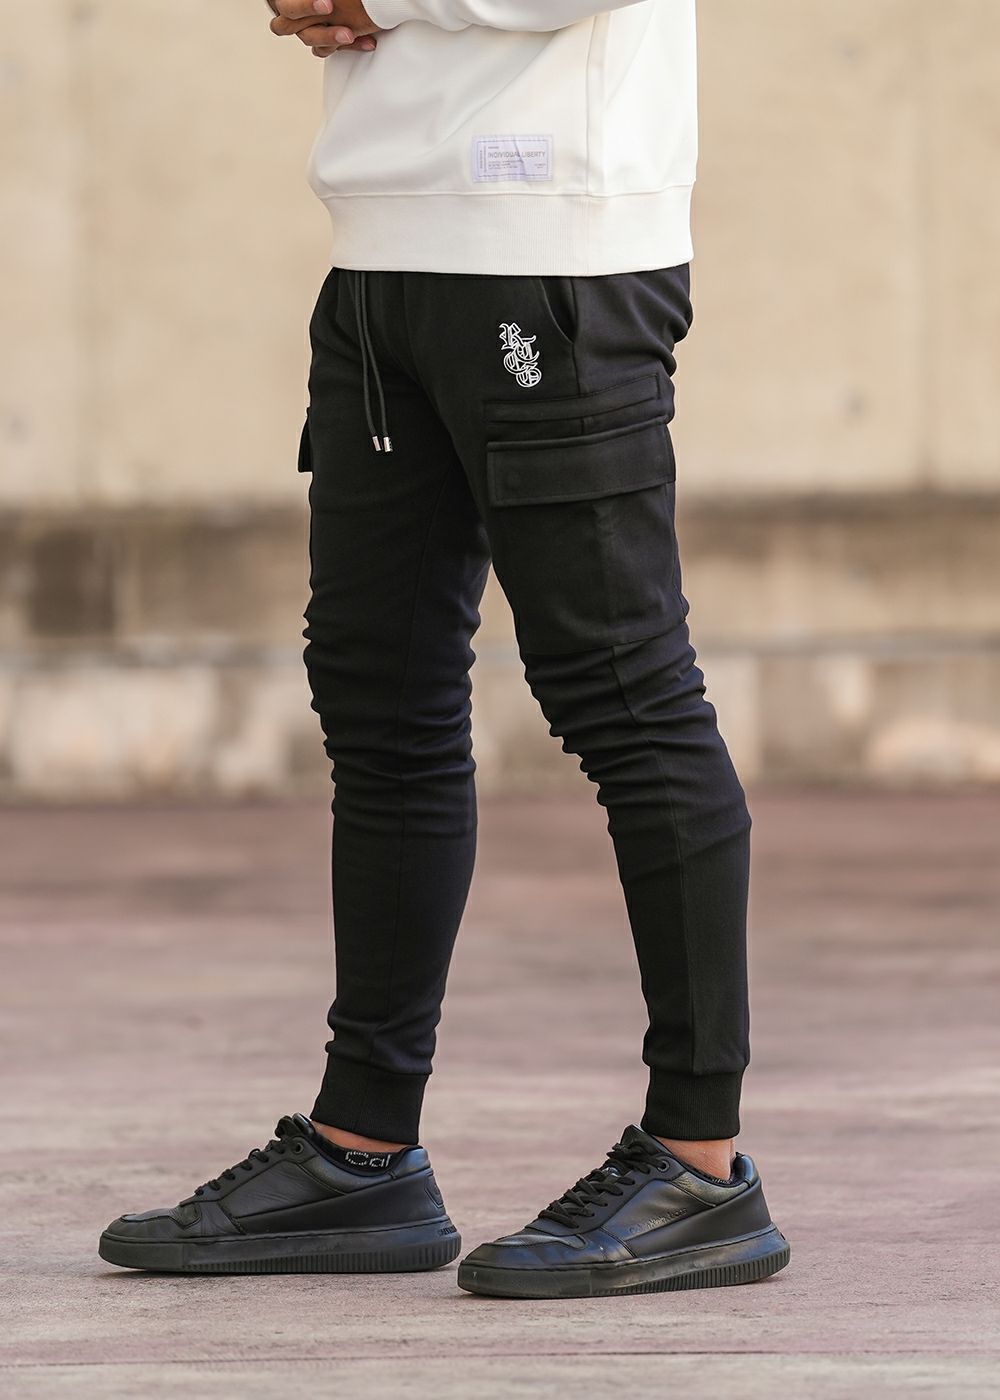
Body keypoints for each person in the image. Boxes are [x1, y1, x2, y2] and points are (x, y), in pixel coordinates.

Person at [99, 0, 789, 1299]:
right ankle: (361, 1153)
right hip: (380, 256)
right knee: (380, 698)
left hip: (552, 250)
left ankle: (699, 1163)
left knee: (626, 697)